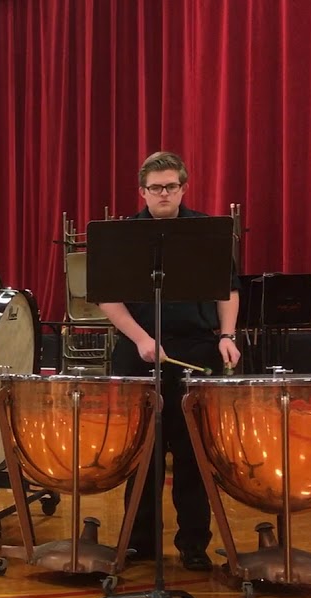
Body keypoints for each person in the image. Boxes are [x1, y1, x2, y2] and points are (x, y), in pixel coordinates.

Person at [98, 151, 241, 571]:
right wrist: (143, 339)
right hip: (138, 352)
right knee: (142, 452)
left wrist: (227, 336)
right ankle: (139, 541)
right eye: (156, 188)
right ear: (142, 192)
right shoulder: (123, 236)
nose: (164, 193)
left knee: (194, 452)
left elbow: (227, 290)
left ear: (183, 188)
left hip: (195, 349)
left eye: (171, 186)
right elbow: (109, 297)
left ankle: (194, 544)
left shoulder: (206, 232)